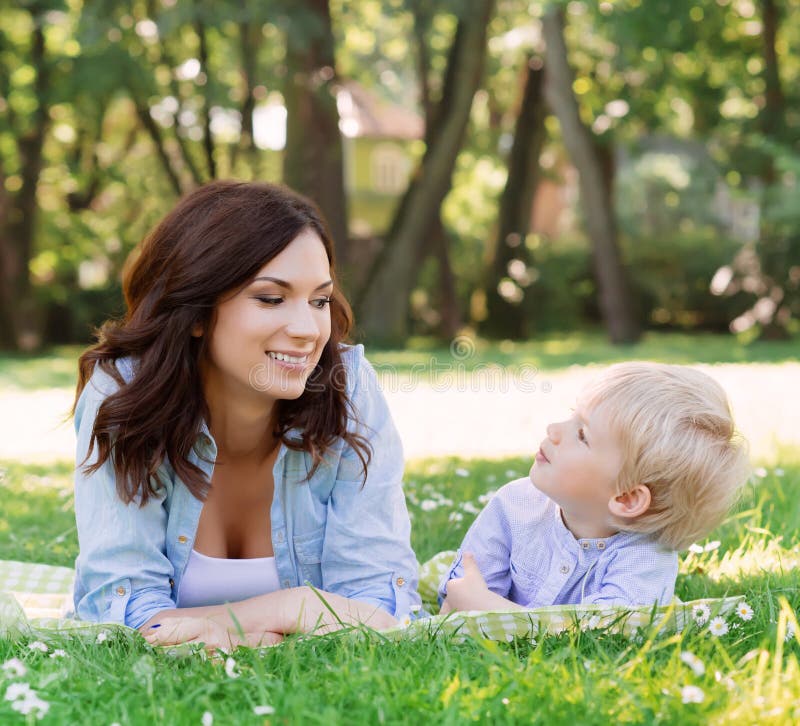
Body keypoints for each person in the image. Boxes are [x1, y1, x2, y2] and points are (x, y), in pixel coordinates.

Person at [72, 180, 421, 649]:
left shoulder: (348, 387)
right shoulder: (125, 397)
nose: (307, 330)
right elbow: (121, 611)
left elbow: (381, 607)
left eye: (319, 300)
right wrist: (300, 616)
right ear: (195, 312)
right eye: (270, 298)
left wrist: (282, 610)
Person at [439, 362, 749, 614]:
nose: (554, 430)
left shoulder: (644, 560)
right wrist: (472, 603)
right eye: (571, 415)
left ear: (626, 498)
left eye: (582, 435)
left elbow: (603, 636)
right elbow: (460, 599)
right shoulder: (514, 505)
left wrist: (489, 609)